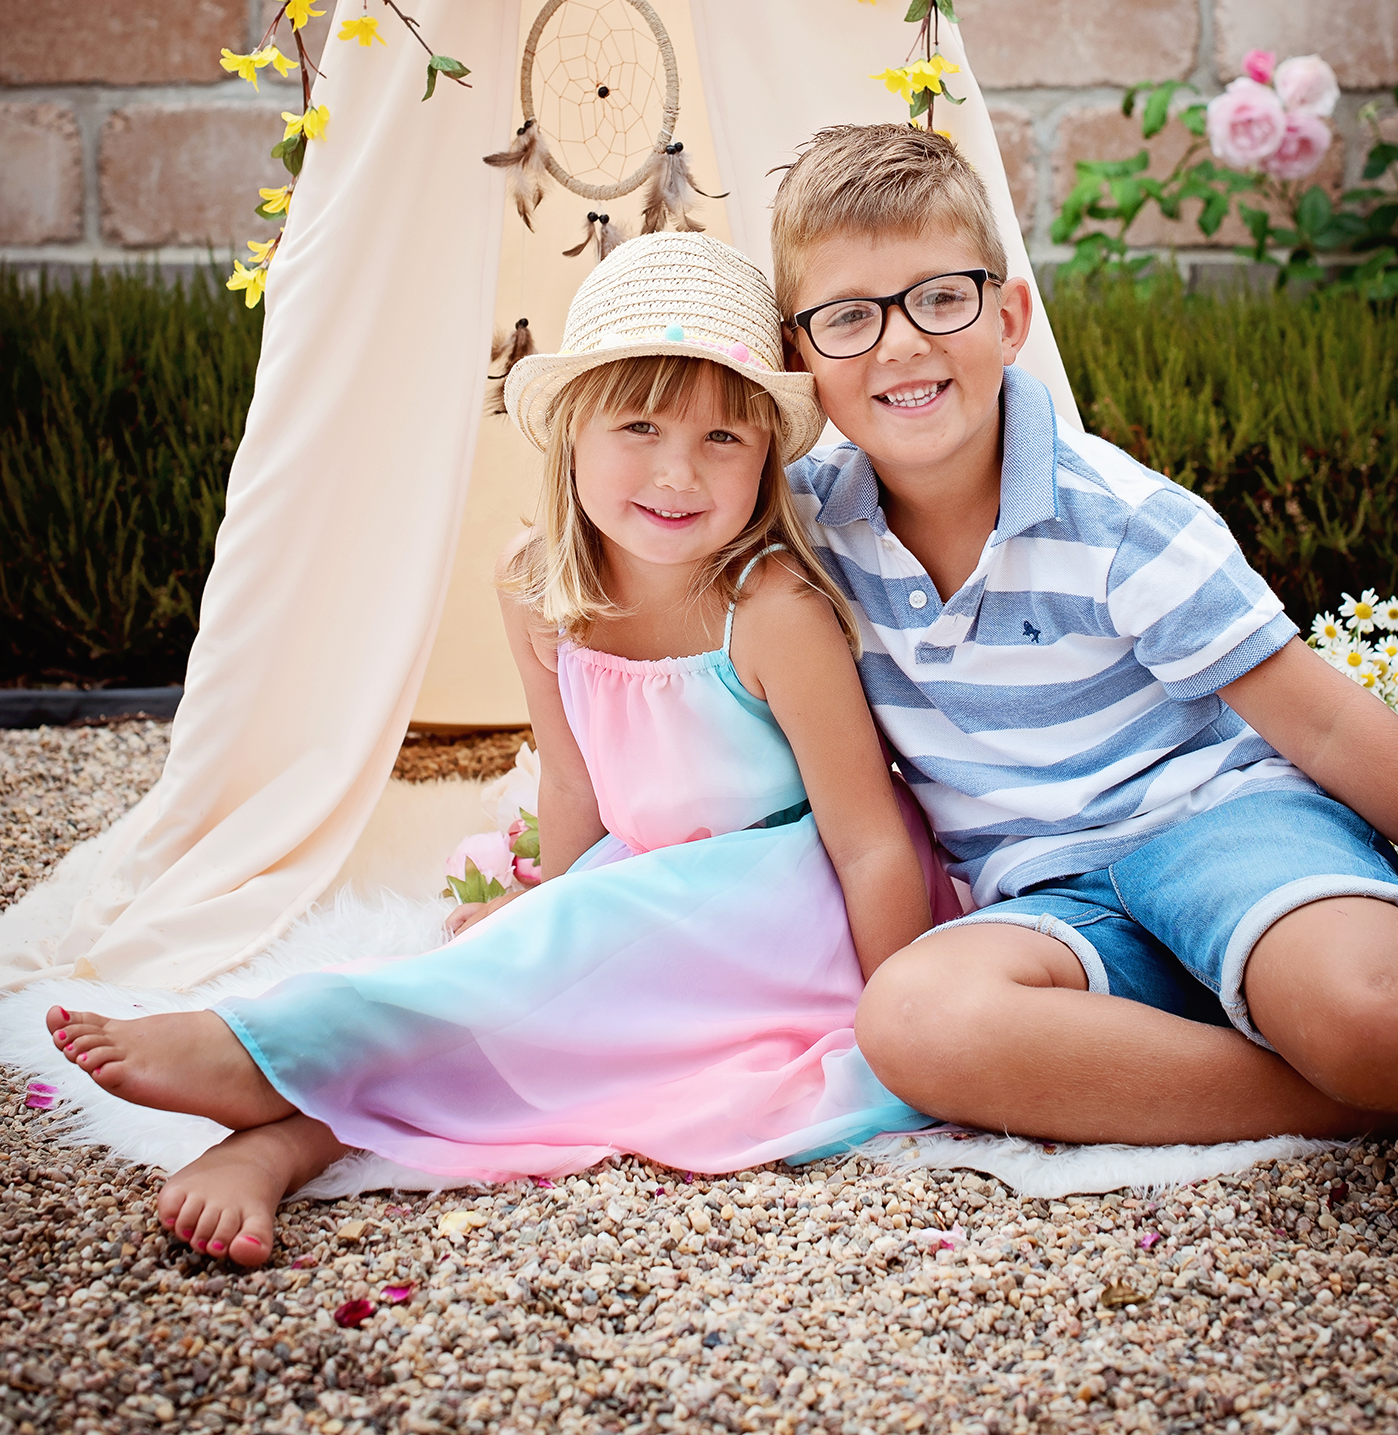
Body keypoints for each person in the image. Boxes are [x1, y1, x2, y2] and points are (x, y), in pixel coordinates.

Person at [46, 233, 955, 1266]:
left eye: (722, 438)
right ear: (571, 434)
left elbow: (869, 841)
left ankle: (268, 1051)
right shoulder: (539, 587)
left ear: (765, 458)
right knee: (521, 1010)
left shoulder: (771, 608)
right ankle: (286, 1140)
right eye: (639, 425)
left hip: (794, 912)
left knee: (551, 991)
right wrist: (551, 911)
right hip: (647, 890)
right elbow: (571, 780)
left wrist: (897, 1015)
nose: (677, 472)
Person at [773, 123, 1398, 1149]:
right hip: (1053, 903)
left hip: (1230, 833)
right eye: (849, 317)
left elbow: (1328, 728)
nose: (899, 344)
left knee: (1382, 1021)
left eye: (940, 297)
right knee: (910, 1019)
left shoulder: (1120, 521)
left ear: (1009, 317)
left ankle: (1387, 1060)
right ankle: (1369, 1103)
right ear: (797, 358)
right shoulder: (806, 526)